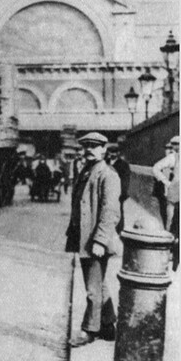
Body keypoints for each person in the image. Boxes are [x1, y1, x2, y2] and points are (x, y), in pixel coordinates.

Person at [66, 132, 121, 347]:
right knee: (98, 283)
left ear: (104, 150)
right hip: (83, 237)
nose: (89, 149)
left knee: (92, 288)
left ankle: (89, 330)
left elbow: (110, 211)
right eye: (86, 146)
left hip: (95, 240)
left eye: (94, 146)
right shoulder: (86, 171)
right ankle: (107, 325)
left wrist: (99, 240)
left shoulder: (108, 175)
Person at [153, 135, 180, 269]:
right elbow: (156, 168)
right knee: (171, 226)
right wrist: (167, 183)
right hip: (175, 197)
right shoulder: (173, 157)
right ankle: (169, 255)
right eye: (176, 145)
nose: (177, 147)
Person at [107, 142, 131, 234]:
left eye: (114, 152)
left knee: (118, 212)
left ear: (118, 153)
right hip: (107, 191)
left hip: (118, 193)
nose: (112, 154)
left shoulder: (124, 164)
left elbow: (126, 180)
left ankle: (119, 231)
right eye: (110, 152)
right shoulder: (105, 163)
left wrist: (122, 193)